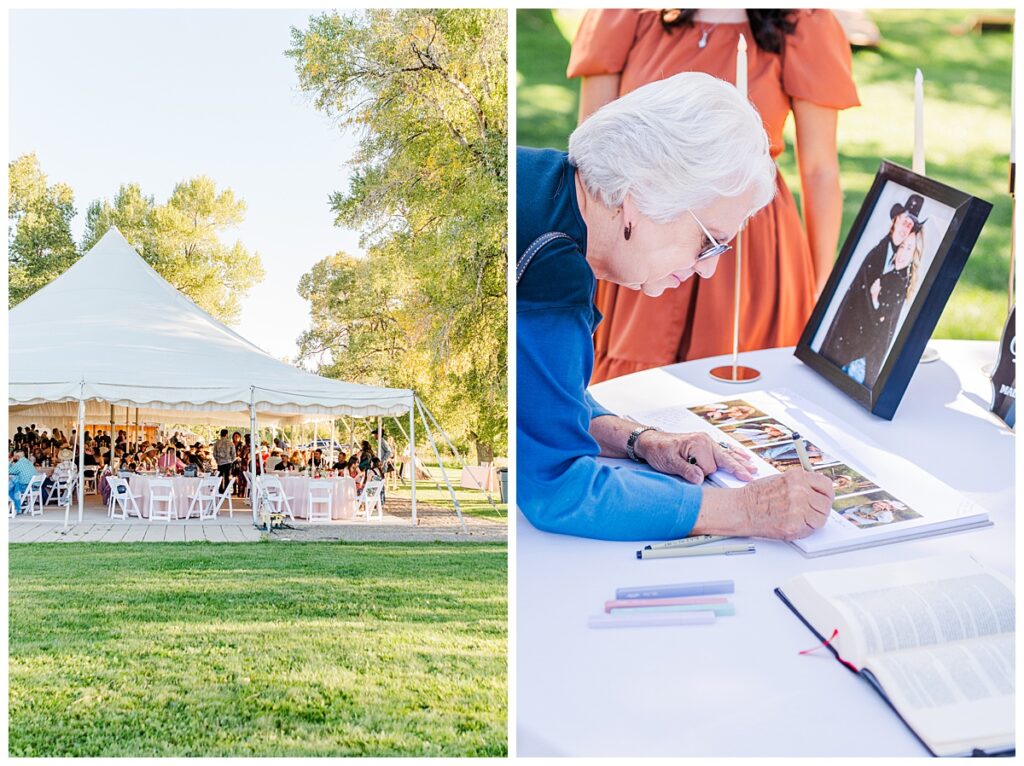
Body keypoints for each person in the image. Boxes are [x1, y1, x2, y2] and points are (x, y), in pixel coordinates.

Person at [518, 71, 834, 541]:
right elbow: (558, 488)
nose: (707, 271)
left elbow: (542, 396)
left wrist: (640, 441)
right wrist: (744, 509)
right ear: (637, 199)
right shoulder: (551, 270)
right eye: (709, 242)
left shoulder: (548, 187)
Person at [569, 9, 859, 381]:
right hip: (644, 228)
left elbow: (819, 169)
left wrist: (821, 287)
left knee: (739, 390)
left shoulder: (802, 25)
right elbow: (590, 155)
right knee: (631, 391)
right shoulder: (623, 16)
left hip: (746, 238)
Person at [818, 194, 927, 386]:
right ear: (895, 221)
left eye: (910, 226)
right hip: (851, 345)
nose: (905, 228)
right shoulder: (879, 254)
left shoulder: (898, 270)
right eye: (904, 221)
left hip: (864, 350)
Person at [213, 428, 236, 492]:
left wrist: (217, 460)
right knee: (227, 477)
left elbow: (214, 453)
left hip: (220, 463)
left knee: (220, 477)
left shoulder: (217, 443)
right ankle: (226, 491)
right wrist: (231, 460)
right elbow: (234, 454)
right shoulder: (230, 443)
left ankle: (220, 490)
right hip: (228, 462)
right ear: (226, 434)